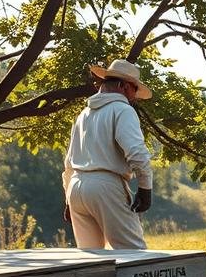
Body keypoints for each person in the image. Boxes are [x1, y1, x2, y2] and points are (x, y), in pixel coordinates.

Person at [62, 58, 153, 249]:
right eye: (134, 90)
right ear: (123, 85)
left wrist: (68, 199)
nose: (134, 97)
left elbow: (69, 163)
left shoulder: (83, 114)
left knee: (91, 260)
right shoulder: (122, 110)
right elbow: (137, 152)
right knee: (134, 254)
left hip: (76, 187)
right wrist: (145, 188)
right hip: (106, 187)